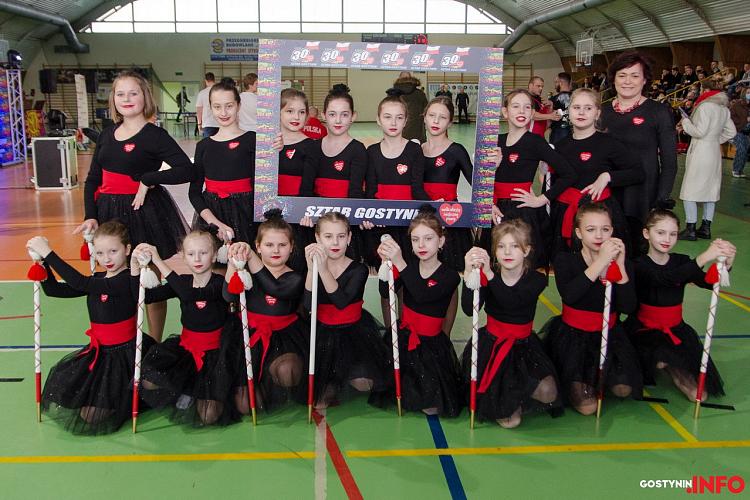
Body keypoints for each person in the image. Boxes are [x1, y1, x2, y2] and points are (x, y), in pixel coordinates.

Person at [74, 70, 194, 341]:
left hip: (144, 212)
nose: (126, 99)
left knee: (149, 281)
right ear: (113, 100)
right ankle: (124, 339)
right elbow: (93, 179)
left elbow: (187, 170)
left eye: (133, 93)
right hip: (108, 214)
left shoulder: (155, 136)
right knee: (116, 278)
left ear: (145, 97)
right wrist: (91, 215)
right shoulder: (106, 135)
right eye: (120, 94)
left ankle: (154, 342)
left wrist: (149, 179)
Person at [28, 222, 155, 435]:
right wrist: (43, 262)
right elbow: (53, 290)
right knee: (79, 406)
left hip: (126, 355)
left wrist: (49, 252)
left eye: (113, 251)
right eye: (100, 253)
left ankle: (137, 393)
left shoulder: (128, 280)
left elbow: (80, 282)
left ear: (127, 249)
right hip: (100, 353)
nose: (106, 259)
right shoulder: (97, 279)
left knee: (93, 416)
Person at [133, 230, 242, 426]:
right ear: (183, 257)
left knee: (209, 416)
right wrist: (135, 267)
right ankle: (187, 389)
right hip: (186, 350)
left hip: (216, 354)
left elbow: (189, 294)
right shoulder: (182, 281)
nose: (197, 259)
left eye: (203, 253)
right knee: (148, 381)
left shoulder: (219, 283)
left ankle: (196, 391)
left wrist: (158, 261)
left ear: (214, 256)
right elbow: (146, 297)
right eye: (191, 254)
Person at [542, 203, 642, 415]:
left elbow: (628, 306)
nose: (599, 235)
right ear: (579, 233)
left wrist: (620, 266)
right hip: (574, 338)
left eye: (605, 229)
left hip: (609, 335)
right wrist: (601, 262)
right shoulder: (565, 260)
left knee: (624, 389)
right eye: (591, 229)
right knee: (588, 408)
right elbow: (570, 295)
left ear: (612, 231)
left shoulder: (622, 263)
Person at [625, 209, 735, 402]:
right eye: (661, 233)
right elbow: (664, 279)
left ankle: (669, 364)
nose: (667, 239)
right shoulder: (638, 264)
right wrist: (704, 257)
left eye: (673, 234)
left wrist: (726, 263)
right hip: (644, 330)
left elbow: (709, 283)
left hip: (676, 329)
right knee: (657, 357)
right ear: (646, 233)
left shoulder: (681, 261)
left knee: (698, 395)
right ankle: (660, 363)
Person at [461, 220, 561, 428]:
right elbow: (469, 309)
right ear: (494, 251)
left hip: (524, 346)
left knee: (548, 393)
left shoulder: (536, 279)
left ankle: (516, 398)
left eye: (515, 246)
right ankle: (507, 400)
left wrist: (490, 275)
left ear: (526, 250)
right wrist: (469, 273)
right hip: (492, 345)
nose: (507, 252)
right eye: (501, 246)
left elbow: (513, 301)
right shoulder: (490, 277)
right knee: (511, 422)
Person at [376, 206, 463, 417]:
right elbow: (385, 291)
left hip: (431, 346)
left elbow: (423, 295)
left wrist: (400, 262)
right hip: (405, 339)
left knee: (432, 405)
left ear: (441, 241)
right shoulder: (410, 267)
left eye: (428, 239)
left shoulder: (450, 275)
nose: (421, 245)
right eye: (415, 240)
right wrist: (386, 265)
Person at [303, 213, 391, 408]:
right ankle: (334, 381)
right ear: (317, 238)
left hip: (354, 331)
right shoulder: (313, 266)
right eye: (328, 236)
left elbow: (341, 301)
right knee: (320, 399)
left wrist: (323, 270)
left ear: (349, 238)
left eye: (341, 236)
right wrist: (311, 270)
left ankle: (347, 375)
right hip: (323, 332)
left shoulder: (358, 269)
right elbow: (308, 305)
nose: (335, 242)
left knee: (364, 384)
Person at [224, 210, 308, 412]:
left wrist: (252, 258)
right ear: (258, 246)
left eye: (282, 245)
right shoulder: (247, 272)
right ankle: (259, 385)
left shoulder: (295, 278)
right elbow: (228, 297)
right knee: (246, 407)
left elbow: (274, 288)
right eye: (269, 245)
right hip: (249, 334)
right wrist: (233, 263)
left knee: (288, 371)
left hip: (284, 336)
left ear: (292, 247)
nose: (276, 250)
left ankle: (273, 382)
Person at [486, 89, 577, 270]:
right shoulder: (494, 141)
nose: (522, 111)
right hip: (495, 210)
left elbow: (569, 174)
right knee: (495, 265)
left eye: (527, 107)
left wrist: (542, 199)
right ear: (505, 112)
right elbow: (481, 180)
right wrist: (489, 202)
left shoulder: (535, 142)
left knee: (525, 265)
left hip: (523, 211)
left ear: (532, 113)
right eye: (516, 106)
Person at [549, 88, 644, 257]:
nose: (581, 112)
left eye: (588, 108)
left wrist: (607, 177)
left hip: (601, 212)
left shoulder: (609, 143)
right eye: (576, 107)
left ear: (597, 113)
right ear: (569, 111)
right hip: (566, 213)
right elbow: (555, 183)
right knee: (570, 264)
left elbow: (638, 172)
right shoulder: (560, 146)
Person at [599, 51, 677, 254]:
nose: (627, 81)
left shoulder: (658, 112)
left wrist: (660, 201)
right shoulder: (602, 112)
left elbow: (669, 163)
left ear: (644, 80)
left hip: (643, 196)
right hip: (607, 195)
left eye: (634, 75)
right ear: (613, 79)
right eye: (622, 75)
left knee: (638, 254)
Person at [299, 84, 366, 262]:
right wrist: (305, 213)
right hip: (317, 223)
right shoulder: (313, 147)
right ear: (323, 115)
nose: (338, 120)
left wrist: (343, 226)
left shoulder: (358, 150)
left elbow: (356, 192)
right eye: (332, 114)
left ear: (353, 116)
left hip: (344, 224)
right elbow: (306, 189)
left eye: (344, 114)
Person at [189, 78, 257, 246]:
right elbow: (194, 193)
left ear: (238, 105)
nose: (224, 112)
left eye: (229, 106)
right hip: (212, 215)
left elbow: (263, 185)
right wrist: (215, 223)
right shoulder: (203, 146)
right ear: (210, 108)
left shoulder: (252, 140)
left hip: (246, 213)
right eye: (217, 107)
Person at [364, 91, 428, 266]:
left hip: (407, 224)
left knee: (409, 269)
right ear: (378, 119)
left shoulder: (414, 150)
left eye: (399, 118)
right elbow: (370, 191)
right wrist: (369, 216)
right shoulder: (372, 152)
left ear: (406, 121)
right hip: (380, 224)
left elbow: (417, 188)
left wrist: (433, 207)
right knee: (385, 275)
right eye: (387, 117)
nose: (393, 123)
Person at [421, 96, 474, 271]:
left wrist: (491, 168)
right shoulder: (416, 151)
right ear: (424, 117)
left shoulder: (456, 150)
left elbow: (477, 184)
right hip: (421, 220)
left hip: (449, 220)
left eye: (442, 117)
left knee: (450, 274)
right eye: (432, 115)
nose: (436, 121)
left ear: (450, 123)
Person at [678, 82, 736, 241]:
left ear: (707, 91)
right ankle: (705, 228)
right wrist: (716, 140)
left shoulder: (704, 107)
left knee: (689, 191)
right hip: (714, 152)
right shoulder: (724, 109)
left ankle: (690, 228)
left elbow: (699, 132)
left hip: (701, 152)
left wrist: (685, 121)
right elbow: (732, 132)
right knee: (711, 192)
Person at [277, 88, 320, 270]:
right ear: (278, 112)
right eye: (290, 111)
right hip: (271, 215)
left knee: (297, 265)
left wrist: (302, 210)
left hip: (298, 217)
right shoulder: (268, 144)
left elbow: (308, 185)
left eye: (301, 112)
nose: (296, 117)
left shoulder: (310, 146)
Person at [392, 71, 428, 142]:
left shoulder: (393, 94)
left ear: (399, 78)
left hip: (398, 130)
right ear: (410, 78)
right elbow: (426, 110)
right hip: (418, 132)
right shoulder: (420, 94)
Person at [729, 88, 750, 178]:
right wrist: (746, 120)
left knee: (746, 151)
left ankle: (740, 170)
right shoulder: (737, 105)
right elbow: (731, 118)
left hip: (746, 132)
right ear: (744, 93)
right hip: (737, 131)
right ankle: (736, 170)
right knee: (741, 149)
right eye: (748, 92)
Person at [549, 72, 573, 144]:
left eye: (556, 82)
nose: (555, 85)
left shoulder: (553, 100)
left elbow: (549, 119)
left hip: (558, 132)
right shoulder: (577, 97)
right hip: (575, 132)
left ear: (560, 83)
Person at [196, 72, 219, 138]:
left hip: (208, 124)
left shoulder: (202, 93)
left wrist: (199, 123)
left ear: (205, 81)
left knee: (208, 143)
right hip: (220, 123)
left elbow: (199, 109)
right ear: (214, 80)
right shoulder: (220, 92)